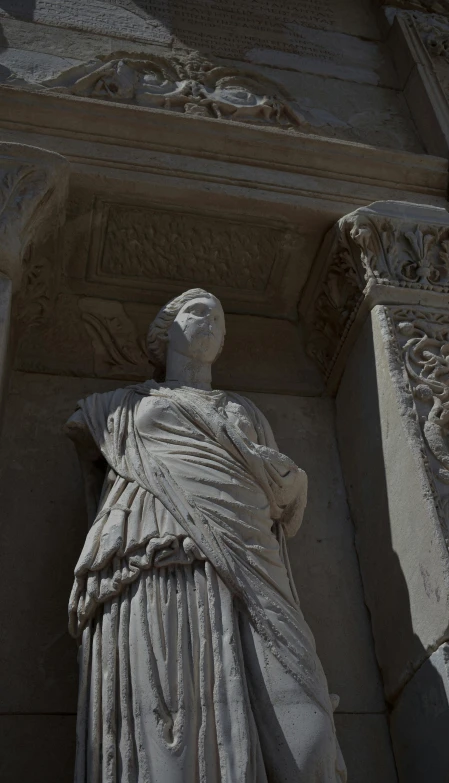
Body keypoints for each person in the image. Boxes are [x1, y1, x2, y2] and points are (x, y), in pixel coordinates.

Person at [66, 288, 347, 782]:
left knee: (309, 734)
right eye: (199, 312)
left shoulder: (246, 410)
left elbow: (279, 494)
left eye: (221, 319)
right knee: (167, 711)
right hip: (155, 554)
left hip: (251, 553)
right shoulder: (116, 408)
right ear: (164, 332)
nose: (213, 324)